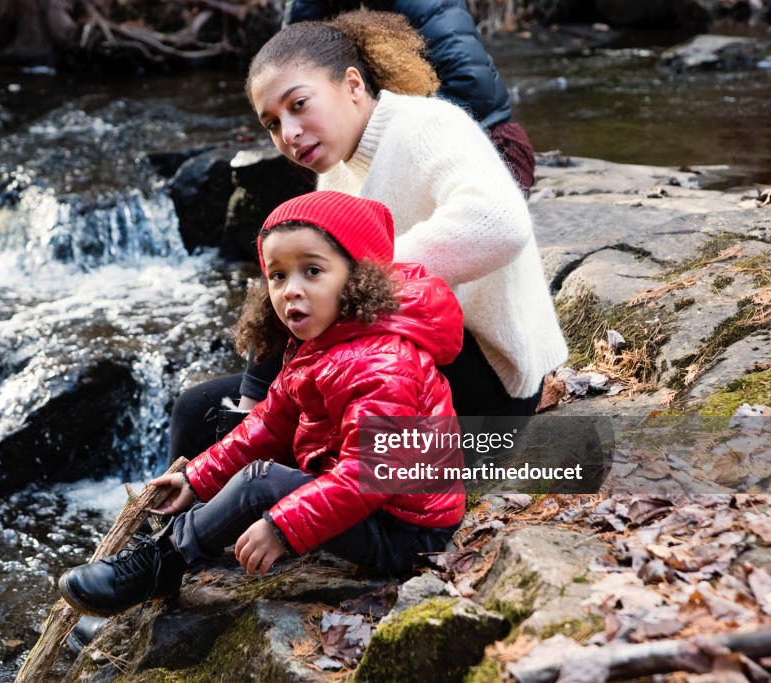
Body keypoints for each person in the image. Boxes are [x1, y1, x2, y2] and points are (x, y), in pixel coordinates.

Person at [168, 10, 567, 465]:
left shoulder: (428, 125)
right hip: (404, 358)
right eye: (273, 123)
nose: (289, 134)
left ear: (353, 85)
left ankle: (248, 482)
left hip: (486, 397)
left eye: (298, 105)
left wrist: (352, 279)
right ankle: (174, 525)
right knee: (195, 409)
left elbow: (500, 222)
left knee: (298, 431)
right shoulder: (336, 170)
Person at [59, 191, 466, 615]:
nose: (291, 291)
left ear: (358, 277)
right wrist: (197, 479)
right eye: (277, 276)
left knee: (261, 483)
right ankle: (142, 588)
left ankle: (161, 566)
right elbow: (270, 424)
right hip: (368, 502)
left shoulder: (380, 362)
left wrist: (284, 525)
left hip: (407, 531)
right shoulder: (324, 341)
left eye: (312, 271)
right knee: (254, 470)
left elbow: (367, 476)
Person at [282, 0, 536, 196]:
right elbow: (289, 69)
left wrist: (385, 147)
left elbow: (472, 85)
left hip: (491, 148)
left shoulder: (429, 7)